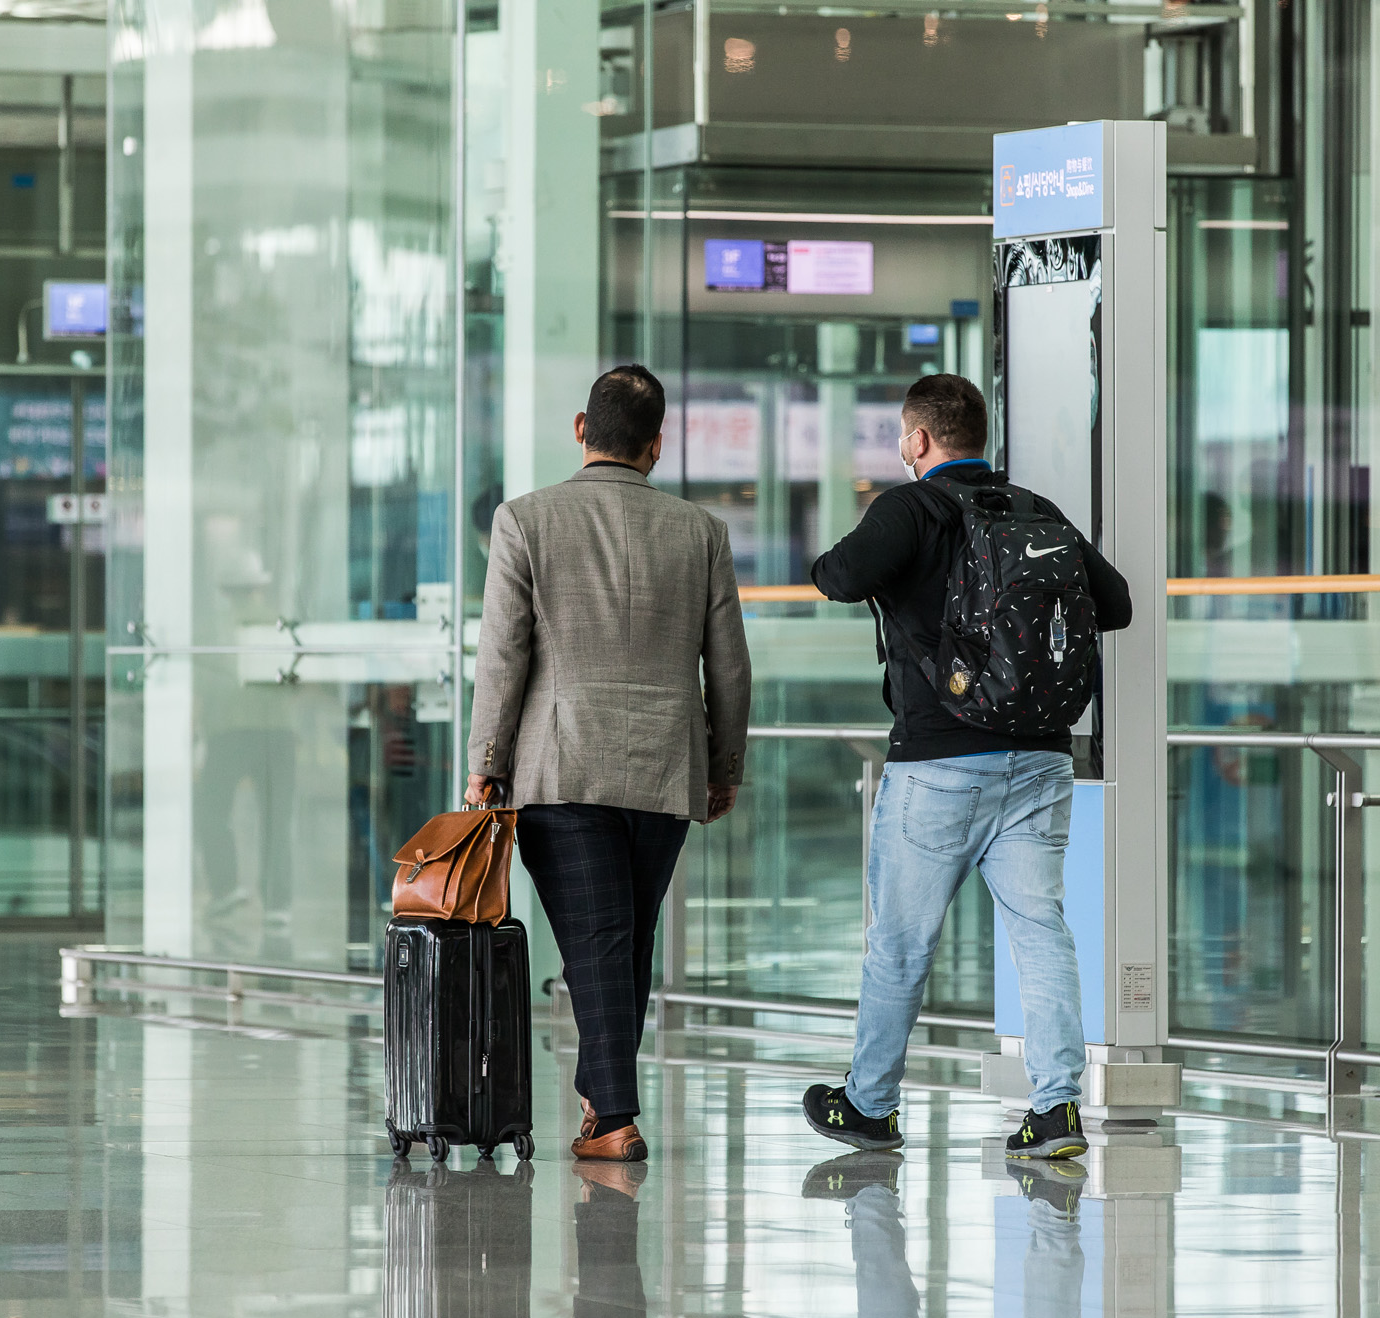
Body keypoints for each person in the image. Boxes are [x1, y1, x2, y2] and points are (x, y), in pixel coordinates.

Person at [800, 373, 1131, 1160]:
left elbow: (837, 575)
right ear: (978, 436)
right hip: (1043, 759)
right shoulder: (1031, 510)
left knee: (902, 944)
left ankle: (871, 1104)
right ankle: (1054, 1110)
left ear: (918, 441)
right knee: (1041, 931)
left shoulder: (910, 507)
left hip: (940, 763)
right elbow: (1112, 601)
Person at [466, 365, 751, 1163]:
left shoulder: (524, 520)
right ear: (657, 445)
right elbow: (729, 666)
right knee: (622, 937)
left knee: (602, 937)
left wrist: (485, 763)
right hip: (663, 771)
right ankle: (601, 1106)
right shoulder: (700, 532)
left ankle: (617, 1115)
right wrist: (721, 766)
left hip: (563, 766)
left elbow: (501, 659)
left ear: (581, 428)